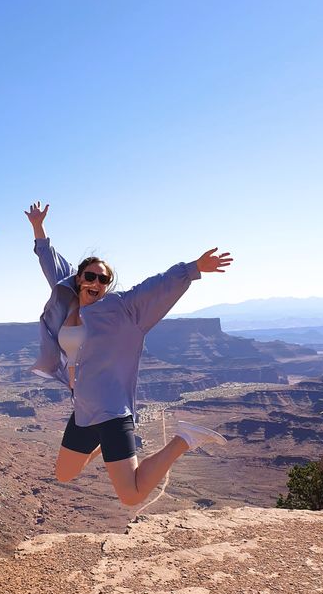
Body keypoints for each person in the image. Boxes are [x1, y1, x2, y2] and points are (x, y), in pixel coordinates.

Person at [24, 201, 233, 508]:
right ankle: (109, 448)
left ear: (108, 285)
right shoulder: (68, 297)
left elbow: (156, 286)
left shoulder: (124, 309)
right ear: (79, 278)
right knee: (65, 473)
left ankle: (183, 440)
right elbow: (51, 264)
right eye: (90, 276)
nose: (96, 282)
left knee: (131, 494)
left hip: (111, 411)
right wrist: (38, 228)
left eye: (103, 279)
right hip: (84, 411)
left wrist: (194, 268)